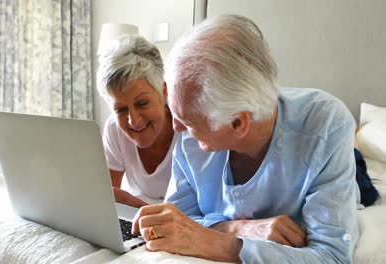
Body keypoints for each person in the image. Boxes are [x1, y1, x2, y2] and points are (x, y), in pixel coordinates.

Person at [131, 14, 359, 263]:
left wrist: (226, 245)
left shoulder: (326, 126)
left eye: (187, 121)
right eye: (173, 112)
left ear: (238, 123)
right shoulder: (189, 140)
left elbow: (332, 256)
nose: (176, 127)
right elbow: (178, 222)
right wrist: (239, 229)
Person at [96, 35, 178, 208]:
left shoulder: (188, 127)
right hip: (136, 219)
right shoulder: (114, 128)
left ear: (164, 92)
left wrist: (139, 208)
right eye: (120, 109)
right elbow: (107, 201)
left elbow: (203, 215)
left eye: (142, 103)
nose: (133, 121)